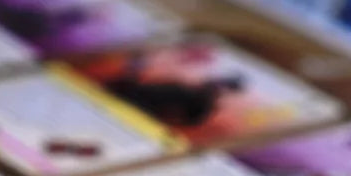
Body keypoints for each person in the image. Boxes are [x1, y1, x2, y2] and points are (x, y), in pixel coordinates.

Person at [105, 53, 246, 127]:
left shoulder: (200, 101)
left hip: (137, 111)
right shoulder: (187, 88)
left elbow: (188, 120)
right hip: (130, 101)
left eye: (223, 84)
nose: (217, 83)